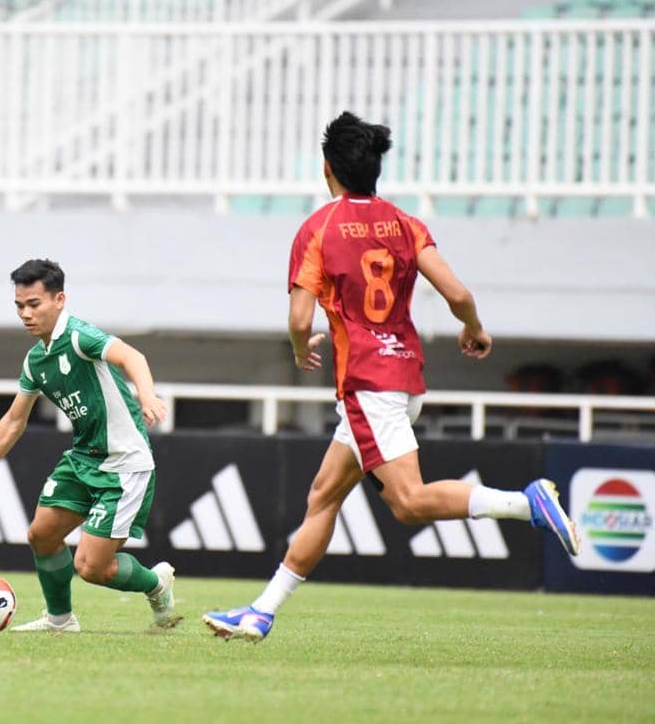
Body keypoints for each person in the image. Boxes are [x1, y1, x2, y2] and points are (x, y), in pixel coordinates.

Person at [203, 112, 581, 643]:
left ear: (327, 167)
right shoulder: (405, 223)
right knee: (323, 497)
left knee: (408, 503)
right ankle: (262, 611)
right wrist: (473, 329)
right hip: (403, 375)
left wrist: (298, 349)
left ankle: (528, 504)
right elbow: (458, 294)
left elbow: (298, 319)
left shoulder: (319, 228)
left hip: (366, 382)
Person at [0, 258, 182, 632]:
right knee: (41, 535)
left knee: (92, 568)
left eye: (34, 304)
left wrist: (147, 396)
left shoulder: (79, 336)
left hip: (124, 465)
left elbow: (131, 356)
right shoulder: (36, 361)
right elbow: (13, 421)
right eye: (20, 306)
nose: (26, 313)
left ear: (59, 299)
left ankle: (156, 583)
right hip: (83, 458)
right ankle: (60, 619)